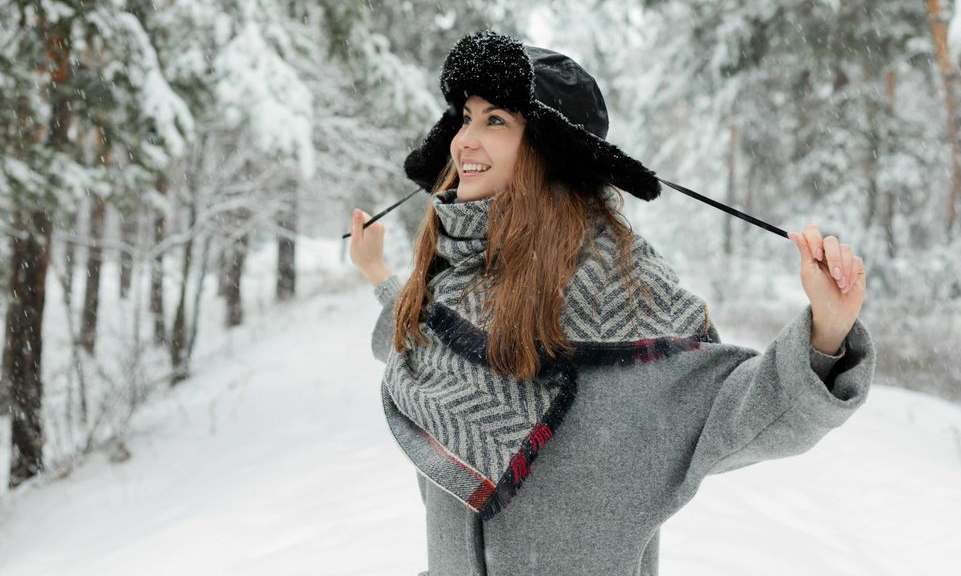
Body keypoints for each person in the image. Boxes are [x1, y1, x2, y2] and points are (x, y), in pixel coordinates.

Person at [348, 29, 874, 576]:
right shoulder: (457, 278)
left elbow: (742, 414)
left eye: (495, 120)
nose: (464, 142)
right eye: (465, 117)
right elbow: (411, 337)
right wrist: (378, 273)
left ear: (550, 153)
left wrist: (827, 334)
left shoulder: (629, 305)